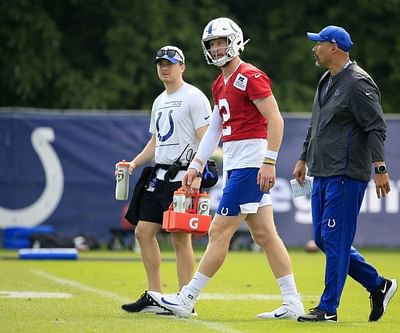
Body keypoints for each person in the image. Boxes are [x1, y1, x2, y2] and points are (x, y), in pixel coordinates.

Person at [147, 17, 305, 320]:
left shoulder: (251, 75)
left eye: (221, 42)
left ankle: (187, 297)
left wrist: (269, 161)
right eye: (212, 44)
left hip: (250, 164)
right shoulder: (220, 83)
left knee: (218, 231)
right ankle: (292, 302)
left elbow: (276, 120)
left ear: (235, 41)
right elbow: (217, 128)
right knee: (266, 236)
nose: (217, 48)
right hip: (237, 164)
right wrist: (196, 165)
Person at [292, 25, 398, 323]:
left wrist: (380, 167)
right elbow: (317, 125)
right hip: (322, 170)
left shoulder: (358, 82)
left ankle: (328, 308)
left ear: (335, 47)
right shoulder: (327, 79)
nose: (314, 48)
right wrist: (303, 158)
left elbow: (376, 126)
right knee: (324, 239)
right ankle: (378, 285)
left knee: (334, 239)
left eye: (319, 44)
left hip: (346, 172)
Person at [119, 45, 211, 314]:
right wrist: (135, 163)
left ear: (182, 66)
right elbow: (156, 141)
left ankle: (185, 300)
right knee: (143, 232)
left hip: (183, 177)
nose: (164, 67)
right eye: (160, 63)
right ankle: (155, 295)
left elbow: (206, 137)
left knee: (180, 238)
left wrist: (197, 171)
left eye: (170, 63)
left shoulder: (194, 96)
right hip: (158, 176)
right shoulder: (159, 100)